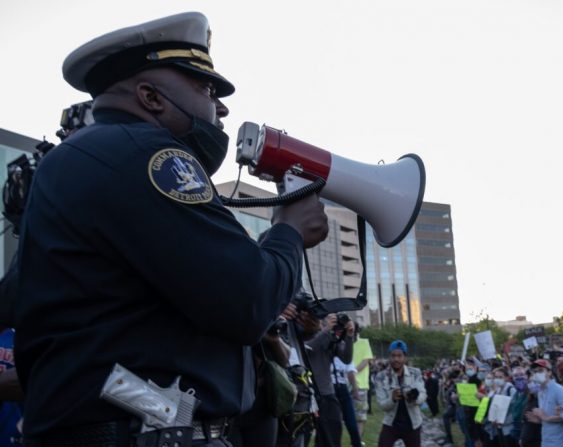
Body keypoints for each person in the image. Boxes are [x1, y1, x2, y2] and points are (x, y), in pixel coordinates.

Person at [11, 11, 329, 446]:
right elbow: (247, 300)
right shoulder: (147, 154)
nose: (221, 107)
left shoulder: (83, 158)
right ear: (150, 97)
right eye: (206, 87)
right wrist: (290, 231)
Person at [305, 314, 355, 447]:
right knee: (300, 438)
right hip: (304, 395)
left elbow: (346, 359)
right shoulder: (301, 334)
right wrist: (326, 330)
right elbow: (308, 347)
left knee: (331, 438)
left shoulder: (328, 338)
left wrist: (349, 336)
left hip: (326, 394)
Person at [374, 340, 426, 447]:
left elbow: (423, 395)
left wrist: (413, 397)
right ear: (389, 357)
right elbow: (382, 405)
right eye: (393, 356)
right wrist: (392, 399)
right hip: (391, 423)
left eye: (399, 356)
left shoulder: (415, 373)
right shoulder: (381, 376)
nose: (396, 359)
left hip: (413, 423)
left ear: (405, 357)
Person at [529, 359, 563, 447]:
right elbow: (547, 416)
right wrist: (540, 420)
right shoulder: (540, 391)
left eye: (541, 371)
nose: (537, 374)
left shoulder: (558, 389)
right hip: (546, 439)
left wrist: (546, 418)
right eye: (535, 372)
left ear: (549, 372)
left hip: (560, 441)